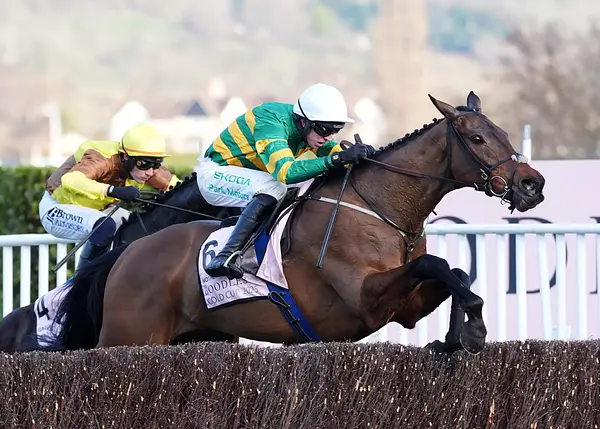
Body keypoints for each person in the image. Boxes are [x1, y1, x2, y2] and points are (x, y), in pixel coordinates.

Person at [195, 82, 375, 280]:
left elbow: (333, 152)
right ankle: (226, 256)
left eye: (335, 130)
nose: (328, 137)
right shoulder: (271, 122)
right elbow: (285, 172)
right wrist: (337, 159)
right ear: (303, 122)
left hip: (249, 177)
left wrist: (362, 157)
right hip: (214, 175)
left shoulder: (309, 129)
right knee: (275, 187)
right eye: (325, 130)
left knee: (307, 185)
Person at [39, 123, 181, 269]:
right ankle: (83, 279)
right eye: (143, 164)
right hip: (57, 208)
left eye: (156, 165)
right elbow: (70, 180)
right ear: (126, 156)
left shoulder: (146, 169)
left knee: (137, 228)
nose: (150, 172)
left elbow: (181, 188)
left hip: (99, 211)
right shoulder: (101, 158)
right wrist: (112, 190)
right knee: (105, 226)